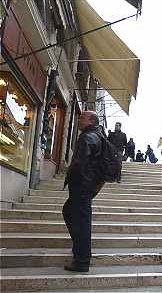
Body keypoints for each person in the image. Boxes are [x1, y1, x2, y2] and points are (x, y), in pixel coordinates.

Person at [62, 111, 106, 272]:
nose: (79, 119)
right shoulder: (98, 135)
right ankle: (80, 251)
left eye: (82, 118)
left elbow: (79, 163)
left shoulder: (88, 138)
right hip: (88, 185)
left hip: (82, 185)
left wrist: (73, 178)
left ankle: (81, 260)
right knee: (69, 212)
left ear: (91, 121)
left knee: (80, 220)